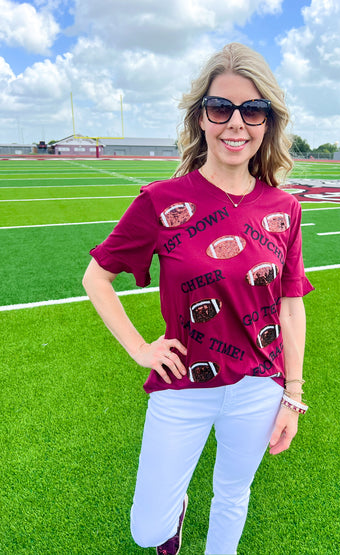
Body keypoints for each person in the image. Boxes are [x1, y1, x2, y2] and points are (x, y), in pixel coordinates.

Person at [82, 42, 313, 555]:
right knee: (147, 531)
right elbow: (96, 278)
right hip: (183, 383)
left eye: (252, 110)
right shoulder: (162, 202)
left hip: (259, 385)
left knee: (234, 494)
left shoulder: (284, 208)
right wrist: (141, 349)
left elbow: (290, 305)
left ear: (268, 122)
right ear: (201, 119)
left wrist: (292, 395)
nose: (236, 122)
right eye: (221, 108)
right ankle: (176, 513)